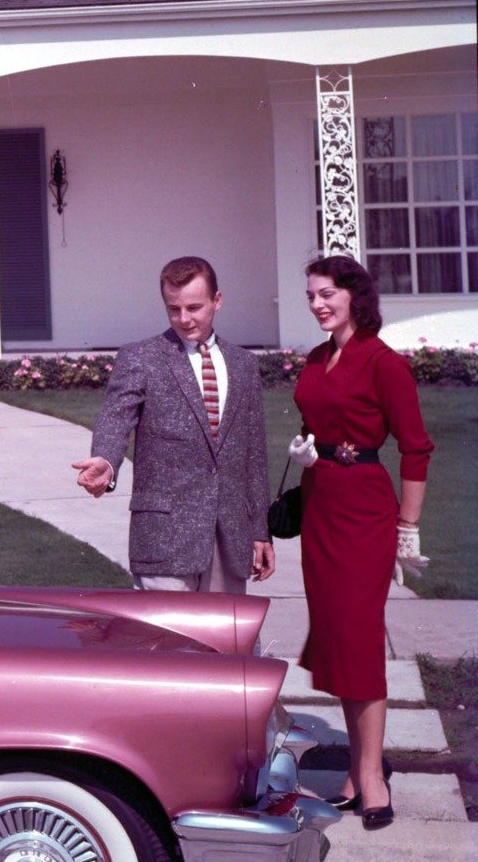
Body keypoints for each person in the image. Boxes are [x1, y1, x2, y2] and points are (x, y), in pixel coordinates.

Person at [290, 254, 432, 831]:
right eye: (311, 297)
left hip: (366, 511)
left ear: (355, 296)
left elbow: (416, 447)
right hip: (320, 503)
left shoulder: (383, 362)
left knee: (358, 636)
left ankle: (372, 777)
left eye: (328, 294)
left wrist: (407, 527)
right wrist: (308, 453)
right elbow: (318, 421)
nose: (319, 304)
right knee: (336, 639)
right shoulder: (318, 357)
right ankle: (358, 767)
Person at [72, 256, 274, 592]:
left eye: (194, 307)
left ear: (217, 301)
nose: (184, 319)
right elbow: (115, 417)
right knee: (164, 643)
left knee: (225, 643)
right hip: (164, 537)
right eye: (173, 309)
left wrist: (259, 530)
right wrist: (106, 460)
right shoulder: (141, 357)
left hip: (229, 539)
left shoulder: (244, 365)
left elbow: (253, 455)